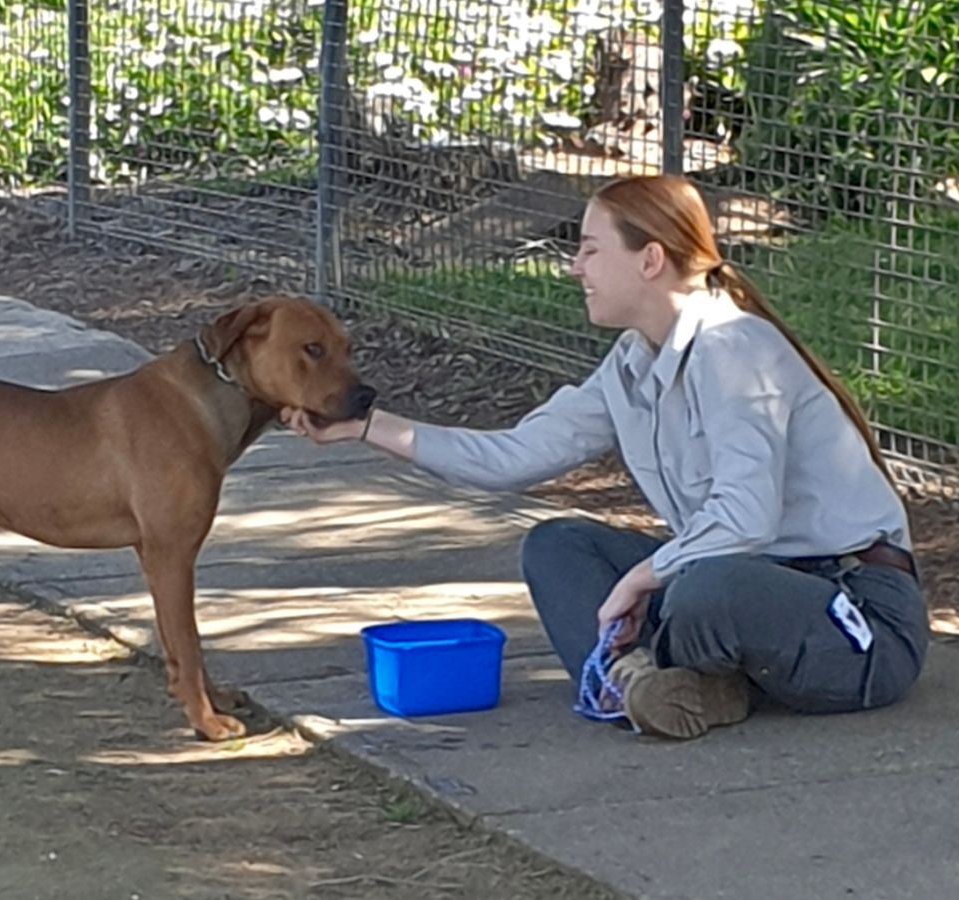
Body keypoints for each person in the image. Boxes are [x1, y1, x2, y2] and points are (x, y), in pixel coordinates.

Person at [283, 174, 929, 740]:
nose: (574, 267)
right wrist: (367, 428)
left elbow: (747, 517)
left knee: (706, 584)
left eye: (590, 249)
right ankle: (644, 685)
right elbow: (516, 455)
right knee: (559, 545)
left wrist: (645, 576)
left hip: (857, 623)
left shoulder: (734, 347)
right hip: (748, 596)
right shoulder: (630, 362)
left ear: (650, 259)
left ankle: (657, 679)